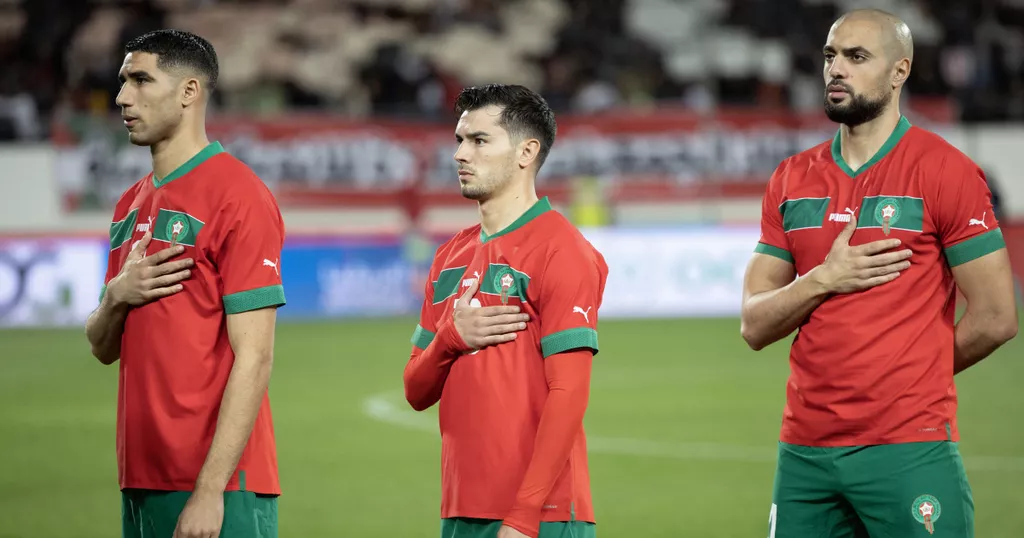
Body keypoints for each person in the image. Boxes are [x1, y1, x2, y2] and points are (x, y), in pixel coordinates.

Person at [741, 9, 1018, 538]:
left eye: (856, 56)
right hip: (805, 452)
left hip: (908, 448)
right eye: (830, 55)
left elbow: (997, 316)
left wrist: (909, 381)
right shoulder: (791, 179)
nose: (836, 69)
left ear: (899, 71)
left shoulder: (944, 170)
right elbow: (753, 324)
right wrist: (823, 278)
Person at [84, 29, 286, 538]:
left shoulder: (238, 194)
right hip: (140, 479)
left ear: (189, 91)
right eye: (123, 81)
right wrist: (116, 297)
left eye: (140, 80)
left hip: (217, 487)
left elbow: (256, 356)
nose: (122, 97)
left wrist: (210, 492)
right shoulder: (129, 204)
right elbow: (103, 347)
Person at [402, 84, 607, 538]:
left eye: (479, 140)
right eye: (459, 140)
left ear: (526, 152)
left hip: (540, 516)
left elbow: (569, 393)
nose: (460, 154)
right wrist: (450, 338)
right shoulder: (448, 257)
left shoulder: (563, 251)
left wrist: (524, 514)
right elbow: (415, 390)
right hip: (460, 509)